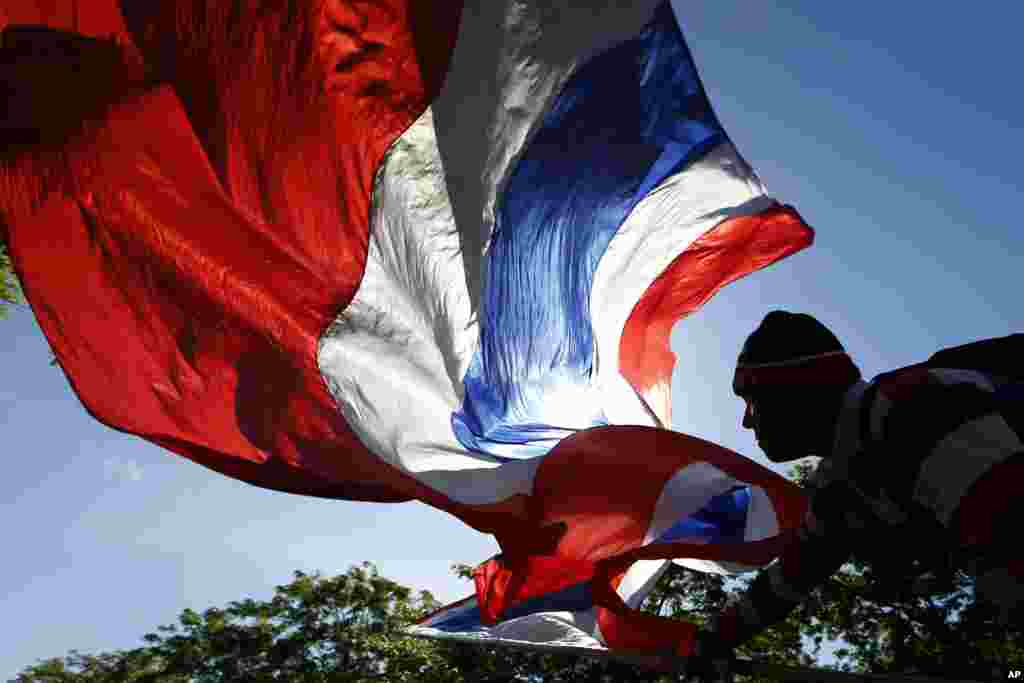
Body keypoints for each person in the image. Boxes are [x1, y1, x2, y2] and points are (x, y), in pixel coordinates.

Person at [687, 311, 1023, 679]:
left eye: (753, 398)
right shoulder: (844, 477)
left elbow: (1010, 533)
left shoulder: (915, 408)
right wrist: (713, 640)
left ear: (796, 389)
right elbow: (790, 577)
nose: (747, 421)